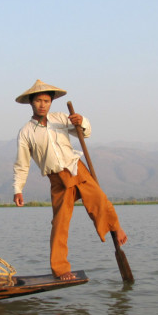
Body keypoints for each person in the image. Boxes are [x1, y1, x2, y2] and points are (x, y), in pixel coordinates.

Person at [13, 79, 128, 280]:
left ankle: (115, 227)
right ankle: (60, 268)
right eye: (38, 101)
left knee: (99, 200)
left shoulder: (60, 118)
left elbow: (84, 132)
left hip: (76, 168)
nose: (42, 105)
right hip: (57, 179)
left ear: (51, 103)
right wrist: (18, 189)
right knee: (60, 223)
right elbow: (22, 164)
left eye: (46, 101)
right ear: (31, 102)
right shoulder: (26, 132)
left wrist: (81, 121)